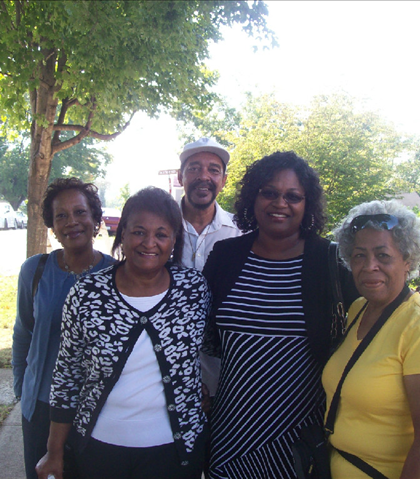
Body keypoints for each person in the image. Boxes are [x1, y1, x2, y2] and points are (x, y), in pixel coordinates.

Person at [36, 186, 212, 479]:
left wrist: (200, 390)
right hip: (99, 452)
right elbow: (67, 376)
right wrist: (54, 452)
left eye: (161, 234)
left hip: (176, 454)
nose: (149, 243)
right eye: (139, 232)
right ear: (123, 235)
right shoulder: (87, 293)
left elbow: (205, 348)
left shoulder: (193, 289)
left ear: (174, 240)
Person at [202, 151, 358, 479]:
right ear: (253, 196)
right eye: (269, 192)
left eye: (293, 196)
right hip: (231, 430)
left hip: (300, 439)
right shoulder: (226, 257)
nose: (280, 203)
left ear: (307, 204)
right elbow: (203, 335)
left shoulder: (330, 261)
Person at [12, 177, 115, 479]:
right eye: (61, 216)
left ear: (96, 219)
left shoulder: (115, 275)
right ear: (52, 226)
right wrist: (23, 388)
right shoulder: (35, 270)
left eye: (80, 212)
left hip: (95, 411)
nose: (72, 222)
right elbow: (23, 334)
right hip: (40, 409)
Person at [323, 200, 420, 479]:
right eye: (359, 256)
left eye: (383, 255)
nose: (369, 266)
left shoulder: (414, 323)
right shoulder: (358, 309)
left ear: (407, 260)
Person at [178, 137, 241, 397]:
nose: (203, 176)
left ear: (224, 181)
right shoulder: (158, 230)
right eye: (194, 168)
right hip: (163, 381)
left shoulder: (241, 233)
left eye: (214, 170)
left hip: (225, 382)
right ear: (180, 176)